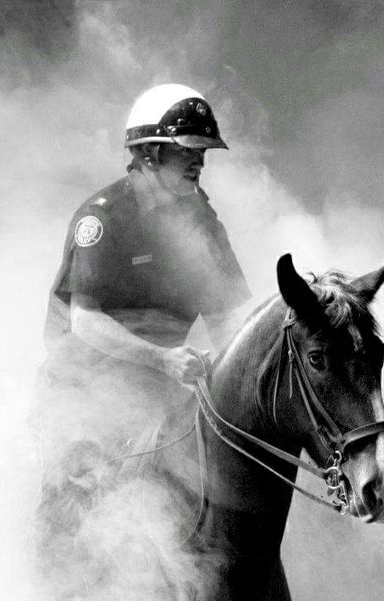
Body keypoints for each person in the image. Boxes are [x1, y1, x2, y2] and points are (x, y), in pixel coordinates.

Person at [35, 83, 252, 556]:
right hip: (90, 389)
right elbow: (85, 323)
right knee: (78, 491)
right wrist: (162, 360)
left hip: (166, 385)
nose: (200, 163)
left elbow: (227, 316)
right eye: (188, 152)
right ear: (150, 154)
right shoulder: (103, 218)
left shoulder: (202, 220)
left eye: (203, 152)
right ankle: (50, 597)